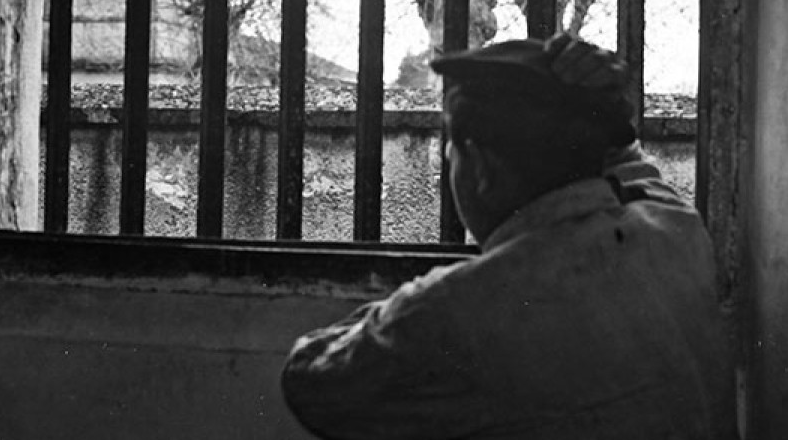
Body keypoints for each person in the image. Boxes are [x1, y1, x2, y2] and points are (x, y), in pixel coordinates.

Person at [281, 34, 736, 439]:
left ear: (479, 166)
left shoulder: (456, 310)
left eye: (450, 155)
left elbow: (308, 380)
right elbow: (629, 162)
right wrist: (601, 103)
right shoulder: (677, 231)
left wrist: (435, 292)